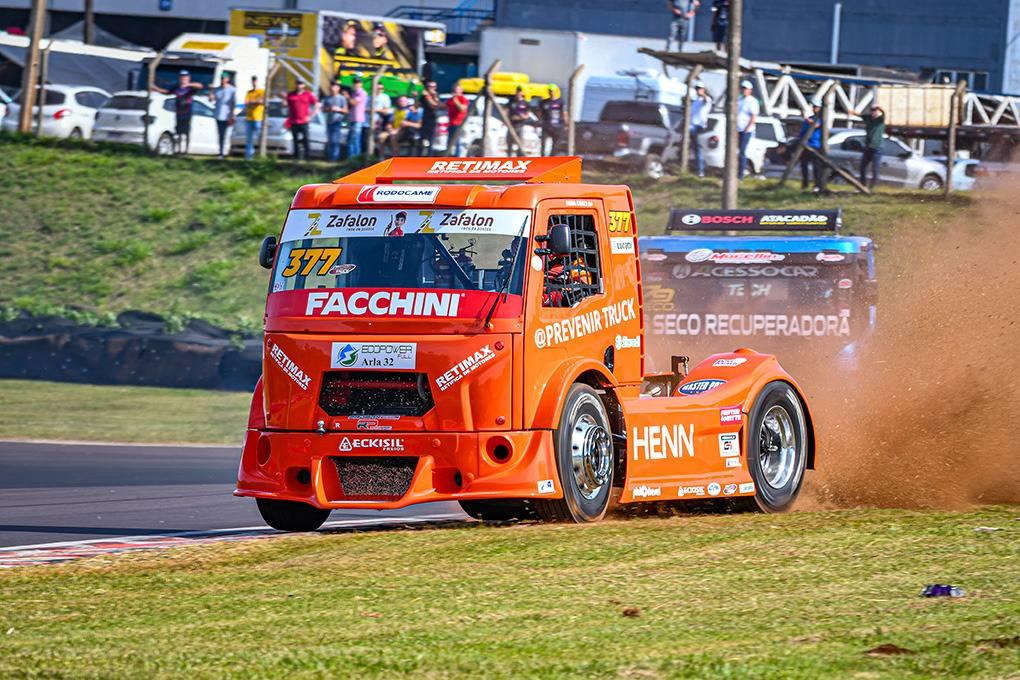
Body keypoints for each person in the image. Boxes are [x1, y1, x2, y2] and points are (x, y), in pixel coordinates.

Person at [154, 70, 203, 154]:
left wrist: (188, 84)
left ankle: (186, 150)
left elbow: (200, 86)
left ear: (188, 78)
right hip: (179, 113)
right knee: (179, 133)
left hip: (187, 113)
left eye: (185, 77)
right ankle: (179, 149)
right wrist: (156, 88)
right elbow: (167, 92)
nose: (183, 79)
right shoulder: (176, 87)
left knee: (186, 132)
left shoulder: (190, 88)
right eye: (181, 77)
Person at [285, 81, 318, 161]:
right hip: (293, 121)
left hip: (304, 121)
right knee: (295, 140)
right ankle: (296, 157)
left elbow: (316, 105)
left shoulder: (308, 94)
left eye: (301, 84)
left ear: (304, 85)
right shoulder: (291, 94)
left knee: (306, 139)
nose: (299, 85)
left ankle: (307, 158)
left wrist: (310, 116)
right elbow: (286, 105)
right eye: (298, 84)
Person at [798, 104, 825, 192]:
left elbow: (815, 125)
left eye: (816, 107)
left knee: (816, 167)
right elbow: (803, 130)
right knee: (804, 165)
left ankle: (817, 185)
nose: (814, 109)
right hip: (805, 145)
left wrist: (806, 118)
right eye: (814, 107)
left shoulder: (821, 119)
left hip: (815, 145)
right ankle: (805, 184)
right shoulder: (810, 118)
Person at [736, 79, 759, 179]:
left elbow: (753, 117)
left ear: (750, 90)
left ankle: (741, 174)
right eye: (742, 88)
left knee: (742, 152)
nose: (743, 90)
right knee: (737, 152)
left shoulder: (752, 101)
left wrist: (747, 128)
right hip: (737, 129)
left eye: (745, 88)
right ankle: (736, 172)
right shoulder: (740, 100)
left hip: (746, 130)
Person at [689, 80, 712, 176]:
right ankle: (695, 168)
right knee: (693, 149)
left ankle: (700, 171)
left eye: (699, 89)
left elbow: (707, 100)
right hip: (692, 126)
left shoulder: (706, 100)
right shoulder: (695, 101)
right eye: (697, 88)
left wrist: (703, 95)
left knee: (698, 149)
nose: (698, 90)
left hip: (699, 126)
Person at [860, 105, 886, 189]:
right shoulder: (868, 119)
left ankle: (872, 188)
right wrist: (852, 112)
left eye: (875, 111)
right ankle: (863, 185)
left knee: (875, 169)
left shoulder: (880, 120)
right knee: (862, 167)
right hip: (868, 147)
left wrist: (879, 107)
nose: (873, 112)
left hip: (877, 148)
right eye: (872, 111)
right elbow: (860, 115)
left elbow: (884, 114)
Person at [211, 74, 236, 159]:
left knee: (227, 134)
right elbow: (211, 99)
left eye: (224, 78)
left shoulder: (232, 90)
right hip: (218, 115)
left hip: (227, 115)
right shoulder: (217, 89)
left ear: (227, 79)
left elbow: (233, 103)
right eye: (221, 78)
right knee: (220, 134)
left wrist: (232, 115)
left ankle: (227, 151)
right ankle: (221, 152)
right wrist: (211, 90)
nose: (222, 80)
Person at [323, 81, 348, 162]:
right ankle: (330, 158)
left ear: (338, 88)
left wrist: (339, 109)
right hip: (329, 122)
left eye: (335, 86)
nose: (333, 88)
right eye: (332, 86)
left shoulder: (342, 98)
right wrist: (330, 109)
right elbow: (324, 109)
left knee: (335, 141)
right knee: (330, 141)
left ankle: (335, 158)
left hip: (338, 121)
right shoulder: (327, 98)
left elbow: (346, 110)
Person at [242, 76, 265, 160]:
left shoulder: (262, 91)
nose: (254, 82)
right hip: (249, 118)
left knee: (260, 139)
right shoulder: (249, 92)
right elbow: (246, 103)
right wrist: (255, 102)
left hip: (258, 118)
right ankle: (248, 158)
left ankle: (260, 156)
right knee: (249, 140)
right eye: (253, 81)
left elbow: (262, 101)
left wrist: (252, 102)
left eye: (255, 81)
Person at [345, 76, 368, 157]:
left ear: (361, 84)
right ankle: (351, 158)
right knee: (351, 140)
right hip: (352, 118)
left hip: (358, 119)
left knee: (355, 139)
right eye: (355, 82)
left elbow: (353, 103)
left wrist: (347, 97)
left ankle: (355, 158)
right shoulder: (354, 93)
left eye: (358, 82)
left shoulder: (362, 93)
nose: (356, 84)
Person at [539, 86, 565, 156]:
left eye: (553, 91)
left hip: (557, 126)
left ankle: (552, 157)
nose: (552, 93)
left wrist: (566, 123)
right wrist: (539, 121)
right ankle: (542, 157)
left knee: (556, 145)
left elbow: (564, 113)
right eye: (550, 91)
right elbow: (540, 113)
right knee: (544, 143)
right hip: (547, 125)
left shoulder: (560, 102)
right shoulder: (544, 102)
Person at [507, 87, 532, 157]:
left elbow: (527, 115)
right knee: (509, 143)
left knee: (520, 144)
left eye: (520, 92)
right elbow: (506, 111)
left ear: (522, 93)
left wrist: (521, 117)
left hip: (520, 125)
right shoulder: (512, 102)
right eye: (517, 91)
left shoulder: (525, 103)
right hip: (511, 125)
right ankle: (509, 158)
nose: (518, 93)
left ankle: (519, 157)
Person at [446, 84, 469, 156]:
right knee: (450, 142)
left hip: (459, 123)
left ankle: (457, 157)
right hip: (451, 123)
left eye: (458, 90)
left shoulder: (463, 99)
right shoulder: (451, 99)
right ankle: (449, 156)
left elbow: (462, 109)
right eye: (455, 90)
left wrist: (455, 100)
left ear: (461, 91)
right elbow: (443, 106)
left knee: (457, 142)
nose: (456, 91)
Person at [419, 80, 441, 155]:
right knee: (421, 139)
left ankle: (430, 157)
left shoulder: (436, 95)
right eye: (429, 86)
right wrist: (416, 97)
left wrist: (429, 96)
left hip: (433, 119)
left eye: (433, 87)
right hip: (425, 118)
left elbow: (434, 105)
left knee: (431, 140)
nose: (431, 88)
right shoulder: (424, 96)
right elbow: (417, 105)